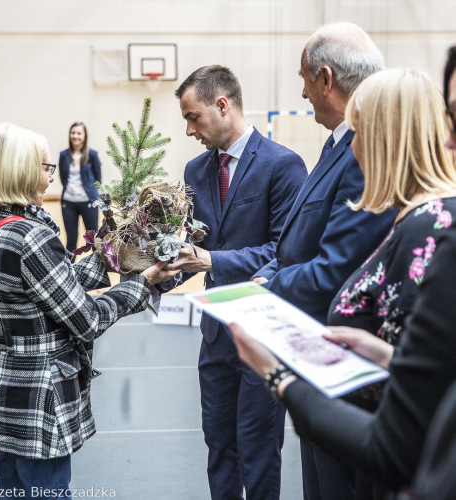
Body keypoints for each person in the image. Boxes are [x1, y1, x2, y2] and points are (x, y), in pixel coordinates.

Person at [229, 68, 456, 497]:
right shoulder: (413, 220)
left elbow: (400, 435)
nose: (353, 145)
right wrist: (388, 356)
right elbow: (430, 368)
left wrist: (274, 372)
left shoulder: (426, 229)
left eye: (360, 131)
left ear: (386, 137)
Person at [0, 123, 179, 499]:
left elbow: (48, 280)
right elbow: (88, 321)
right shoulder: (31, 237)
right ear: (21, 170)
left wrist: (110, 253)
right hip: (36, 402)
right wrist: (142, 282)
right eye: (46, 167)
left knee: (9, 488)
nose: (51, 176)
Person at [252, 22, 396, 500]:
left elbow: (337, 269)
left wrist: (260, 296)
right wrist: (270, 270)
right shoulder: (337, 144)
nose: (302, 91)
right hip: (319, 356)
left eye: (305, 78)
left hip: (344, 362)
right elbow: (299, 241)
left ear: (327, 78)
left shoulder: (361, 150)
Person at [167, 65, 307, 499]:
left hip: (263, 334)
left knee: (259, 448)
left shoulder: (283, 165)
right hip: (215, 336)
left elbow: (283, 253)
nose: (189, 129)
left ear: (222, 105)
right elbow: (186, 248)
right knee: (219, 444)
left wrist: (211, 259)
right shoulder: (194, 172)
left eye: (193, 117)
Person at [59, 122, 101, 253]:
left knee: (94, 240)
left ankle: (99, 272)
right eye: (73, 133)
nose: (75, 136)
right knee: (71, 241)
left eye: (79, 133)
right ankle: (68, 271)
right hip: (68, 202)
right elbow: (63, 176)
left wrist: (90, 191)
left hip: (88, 201)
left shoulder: (92, 155)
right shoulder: (64, 155)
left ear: (84, 136)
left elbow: (98, 179)